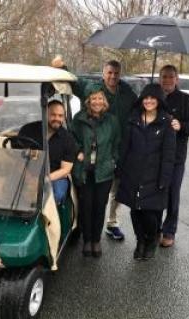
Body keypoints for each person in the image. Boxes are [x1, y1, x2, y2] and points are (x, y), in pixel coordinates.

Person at [52, 56, 137, 241]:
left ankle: (112, 222)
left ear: (119, 74)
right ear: (103, 73)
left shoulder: (127, 92)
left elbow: (140, 107)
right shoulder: (92, 87)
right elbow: (73, 81)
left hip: (116, 148)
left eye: (116, 73)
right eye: (109, 73)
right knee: (87, 195)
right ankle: (81, 227)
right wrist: (62, 66)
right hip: (91, 151)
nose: (113, 76)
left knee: (115, 188)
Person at [116, 84, 176, 260]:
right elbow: (125, 147)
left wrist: (165, 178)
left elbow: (169, 155)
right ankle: (140, 241)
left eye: (152, 98)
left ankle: (150, 241)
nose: (149, 101)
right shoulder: (133, 119)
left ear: (158, 100)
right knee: (135, 211)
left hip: (154, 176)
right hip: (133, 173)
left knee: (150, 213)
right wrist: (120, 168)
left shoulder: (166, 122)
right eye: (146, 98)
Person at [71, 83, 120, 257]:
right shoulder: (79, 119)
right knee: (86, 206)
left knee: (100, 207)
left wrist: (113, 160)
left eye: (100, 98)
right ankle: (86, 240)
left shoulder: (112, 121)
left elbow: (116, 143)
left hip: (104, 172)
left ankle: (96, 240)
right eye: (93, 98)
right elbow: (72, 137)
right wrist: (78, 151)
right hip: (84, 171)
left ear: (105, 101)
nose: (97, 101)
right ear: (88, 101)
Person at [157, 64, 189, 247]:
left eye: (170, 77)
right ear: (159, 78)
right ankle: (154, 229)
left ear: (176, 79)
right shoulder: (152, 98)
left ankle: (169, 231)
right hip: (155, 156)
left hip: (176, 158)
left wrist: (181, 126)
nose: (167, 80)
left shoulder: (186, 100)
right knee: (155, 194)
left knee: (173, 194)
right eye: (164, 77)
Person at [18, 100, 77, 204]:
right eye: (53, 115)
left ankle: (51, 219)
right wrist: (29, 178)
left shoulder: (68, 138)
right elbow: (17, 158)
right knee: (8, 190)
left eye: (60, 116)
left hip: (55, 176)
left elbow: (65, 169)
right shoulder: (28, 130)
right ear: (45, 113)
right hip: (28, 173)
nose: (57, 119)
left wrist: (45, 179)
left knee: (57, 194)